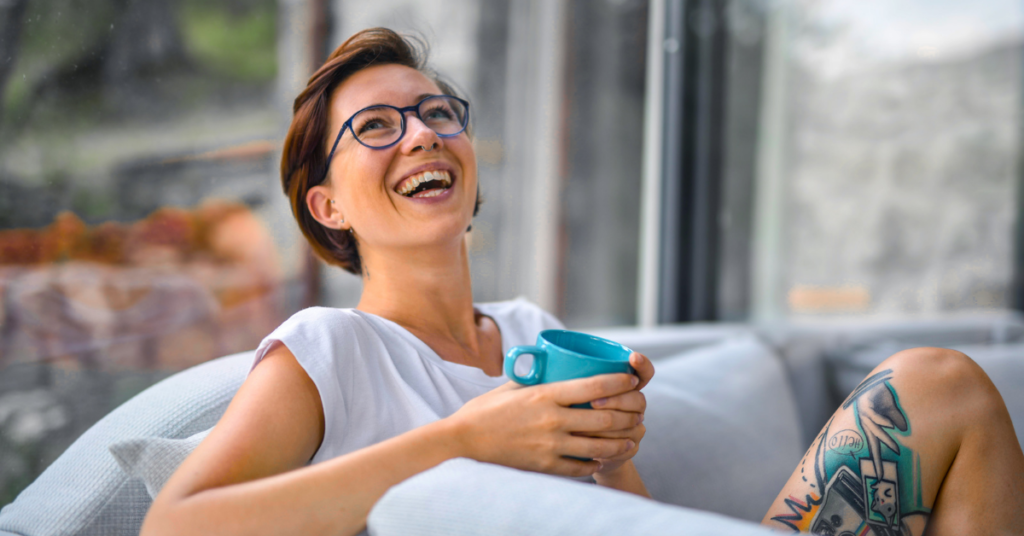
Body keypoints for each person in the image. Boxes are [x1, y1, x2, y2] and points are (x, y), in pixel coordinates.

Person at [141, 28, 654, 536]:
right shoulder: (329, 350)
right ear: (329, 207)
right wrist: (461, 441)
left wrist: (610, 458)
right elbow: (172, 526)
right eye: (376, 125)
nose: (424, 135)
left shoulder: (533, 329)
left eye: (437, 113)